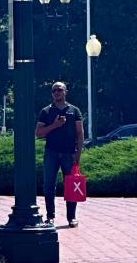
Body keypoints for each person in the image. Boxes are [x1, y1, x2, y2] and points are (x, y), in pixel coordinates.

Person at [36, 81, 84, 227]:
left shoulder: (74, 111)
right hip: (51, 152)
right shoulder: (46, 111)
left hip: (69, 153)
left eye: (60, 90)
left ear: (65, 92)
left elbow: (80, 133)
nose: (57, 92)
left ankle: (71, 217)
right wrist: (55, 125)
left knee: (71, 185)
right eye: (54, 90)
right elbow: (38, 133)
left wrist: (78, 154)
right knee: (49, 185)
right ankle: (50, 216)